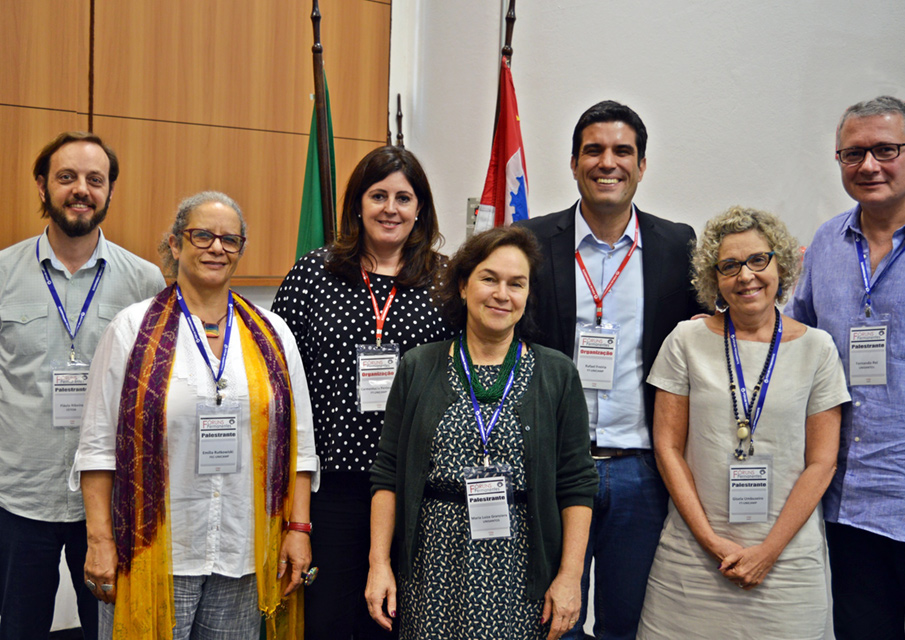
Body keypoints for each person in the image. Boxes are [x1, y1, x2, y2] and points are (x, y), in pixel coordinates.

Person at [72, 191, 318, 639]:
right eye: (202, 235)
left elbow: (300, 446)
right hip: (155, 551)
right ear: (175, 243)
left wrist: (298, 528)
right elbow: (96, 448)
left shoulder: (273, 334)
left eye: (230, 239)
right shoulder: (131, 328)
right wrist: (99, 541)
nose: (216, 247)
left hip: (244, 553)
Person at [518, 100, 702, 639]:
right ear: (574, 163)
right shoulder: (529, 242)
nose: (608, 162)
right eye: (593, 150)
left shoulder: (677, 245)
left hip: (642, 470)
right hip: (554, 466)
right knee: (553, 621)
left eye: (623, 151)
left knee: (630, 623)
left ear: (642, 165)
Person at [366, 226, 598, 640]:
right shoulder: (419, 366)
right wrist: (379, 563)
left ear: (528, 295)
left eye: (516, 283)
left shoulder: (557, 373)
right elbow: (388, 472)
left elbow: (577, 483)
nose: (501, 294)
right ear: (462, 285)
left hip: (521, 567)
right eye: (489, 278)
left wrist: (570, 577)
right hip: (431, 565)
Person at [637, 206, 849, 639]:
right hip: (693, 558)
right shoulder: (685, 341)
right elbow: (667, 448)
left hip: (788, 562)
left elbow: (822, 463)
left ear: (781, 265)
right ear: (714, 278)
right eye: (729, 265)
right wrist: (713, 543)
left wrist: (767, 553)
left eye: (758, 260)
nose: (746, 275)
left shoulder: (819, 349)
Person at [786, 96, 905, 639]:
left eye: (886, 149)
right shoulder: (828, 246)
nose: (869, 165)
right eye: (852, 154)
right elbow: (795, 343)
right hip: (846, 505)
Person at [271, 146, 451, 639]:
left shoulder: (446, 281)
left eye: (403, 197)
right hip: (332, 488)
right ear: (357, 203)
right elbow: (280, 382)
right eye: (378, 195)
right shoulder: (313, 274)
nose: (390, 209)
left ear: (420, 209)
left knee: (396, 624)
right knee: (325, 620)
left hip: (415, 489)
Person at [0, 131, 166, 639]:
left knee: (111, 631)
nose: (81, 190)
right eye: (67, 177)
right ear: (42, 185)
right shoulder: (3, 274)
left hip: (110, 505)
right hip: (18, 500)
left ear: (110, 191)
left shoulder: (144, 281)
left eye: (96, 180)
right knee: (18, 629)